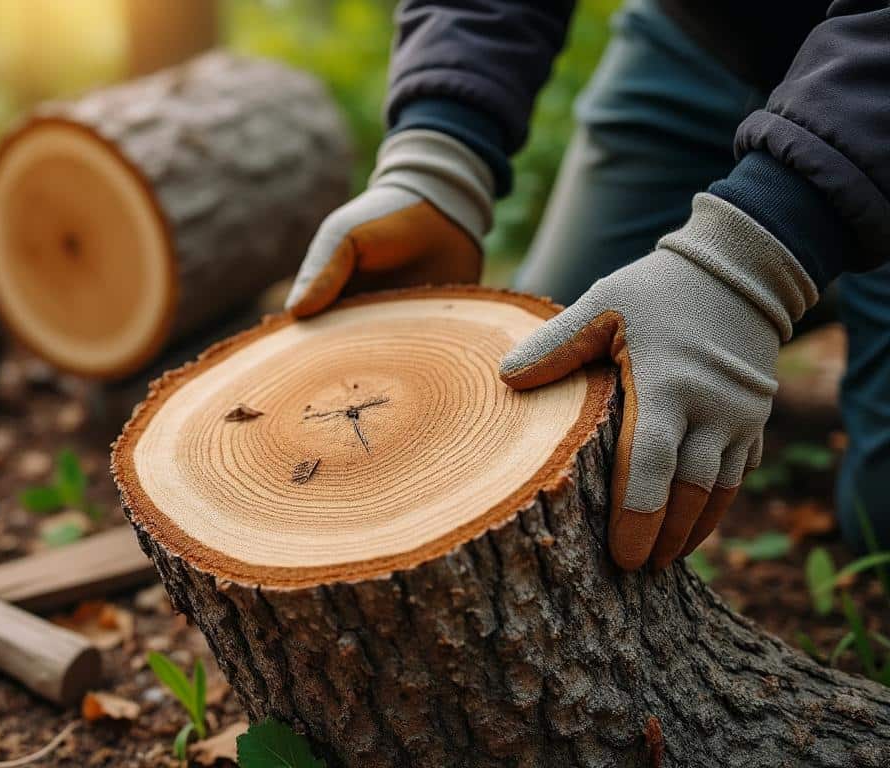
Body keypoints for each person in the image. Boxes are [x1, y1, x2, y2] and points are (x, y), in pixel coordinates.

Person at [286, 0, 890, 571]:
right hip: (706, 42)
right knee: (544, 382)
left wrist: (754, 264)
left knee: (880, 519)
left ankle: (840, 259)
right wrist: (437, 153)